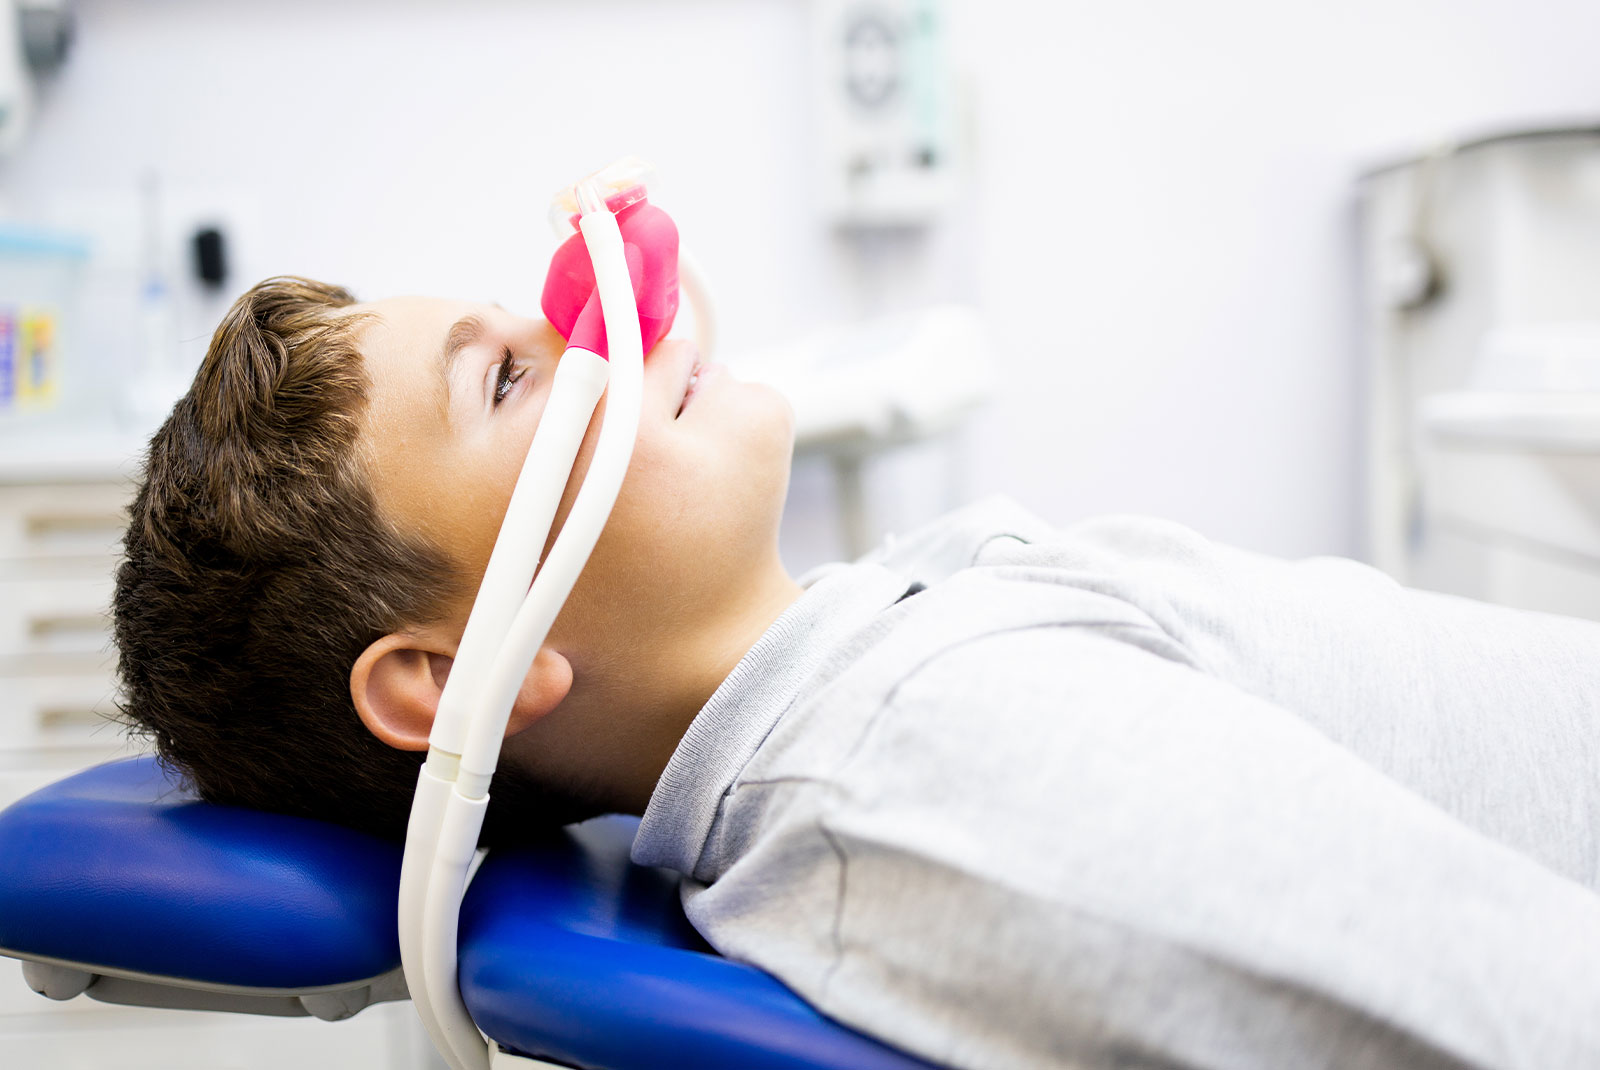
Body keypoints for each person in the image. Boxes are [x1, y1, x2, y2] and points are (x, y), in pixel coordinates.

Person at [114, 276, 1600, 1070]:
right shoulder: (947, 764)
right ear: (454, 680)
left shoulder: (860, 658)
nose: (590, 327)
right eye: (506, 378)